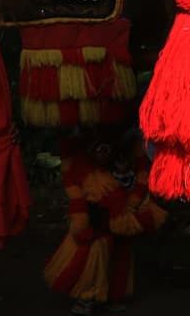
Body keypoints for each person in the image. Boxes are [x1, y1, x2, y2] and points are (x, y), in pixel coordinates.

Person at [43, 126, 167, 315]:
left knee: (119, 252)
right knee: (95, 252)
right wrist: (81, 220)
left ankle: (111, 295)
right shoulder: (80, 156)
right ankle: (87, 296)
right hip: (96, 213)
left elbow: (142, 175)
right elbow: (75, 189)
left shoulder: (129, 142)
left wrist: (132, 203)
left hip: (122, 209)